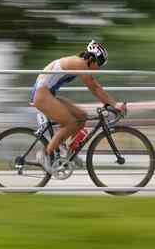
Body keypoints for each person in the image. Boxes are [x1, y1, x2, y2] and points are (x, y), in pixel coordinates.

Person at [30, 40, 121, 173]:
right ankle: (44, 154)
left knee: (82, 116)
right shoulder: (79, 64)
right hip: (42, 94)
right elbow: (95, 88)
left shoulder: (79, 63)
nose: (99, 67)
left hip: (47, 93)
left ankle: (69, 154)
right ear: (92, 58)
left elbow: (95, 88)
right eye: (100, 63)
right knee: (70, 123)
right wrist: (115, 104)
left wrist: (111, 103)